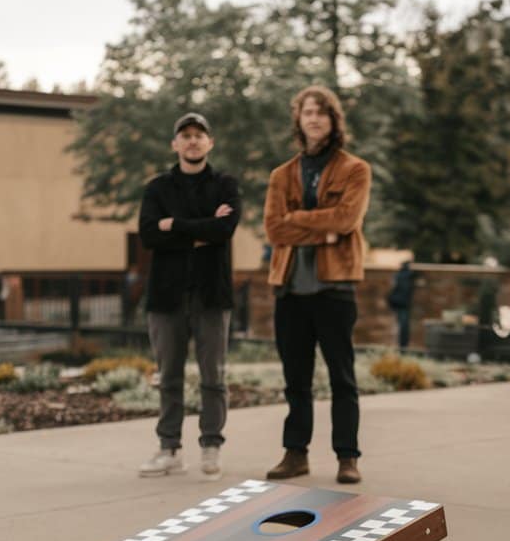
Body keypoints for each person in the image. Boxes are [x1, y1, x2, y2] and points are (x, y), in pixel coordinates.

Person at [263, 85, 372, 485]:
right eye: (307, 112)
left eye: (321, 113)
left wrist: (298, 221)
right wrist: (318, 229)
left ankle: (347, 456)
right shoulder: (281, 174)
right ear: (299, 119)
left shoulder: (355, 169)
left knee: (342, 377)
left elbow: (345, 221)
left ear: (332, 120)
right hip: (289, 288)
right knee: (296, 378)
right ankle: (295, 454)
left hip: (334, 287)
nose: (313, 119)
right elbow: (274, 228)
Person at [137, 111, 241, 479]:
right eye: (186, 135)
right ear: (175, 144)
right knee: (169, 377)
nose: (193, 140)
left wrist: (175, 226)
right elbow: (149, 234)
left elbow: (224, 229)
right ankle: (169, 450)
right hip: (167, 297)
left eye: (200, 135)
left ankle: (211, 446)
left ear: (209, 142)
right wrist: (199, 230)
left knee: (214, 376)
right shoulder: (157, 188)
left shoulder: (225, 185)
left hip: (211, 295)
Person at [387, 258, 415, 350]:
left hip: (397, 303)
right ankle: (403, 345)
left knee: (400, 324)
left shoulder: (398, 275)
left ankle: (402, 345)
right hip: (403, 303)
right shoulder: (409, 275)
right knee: (403, 325)